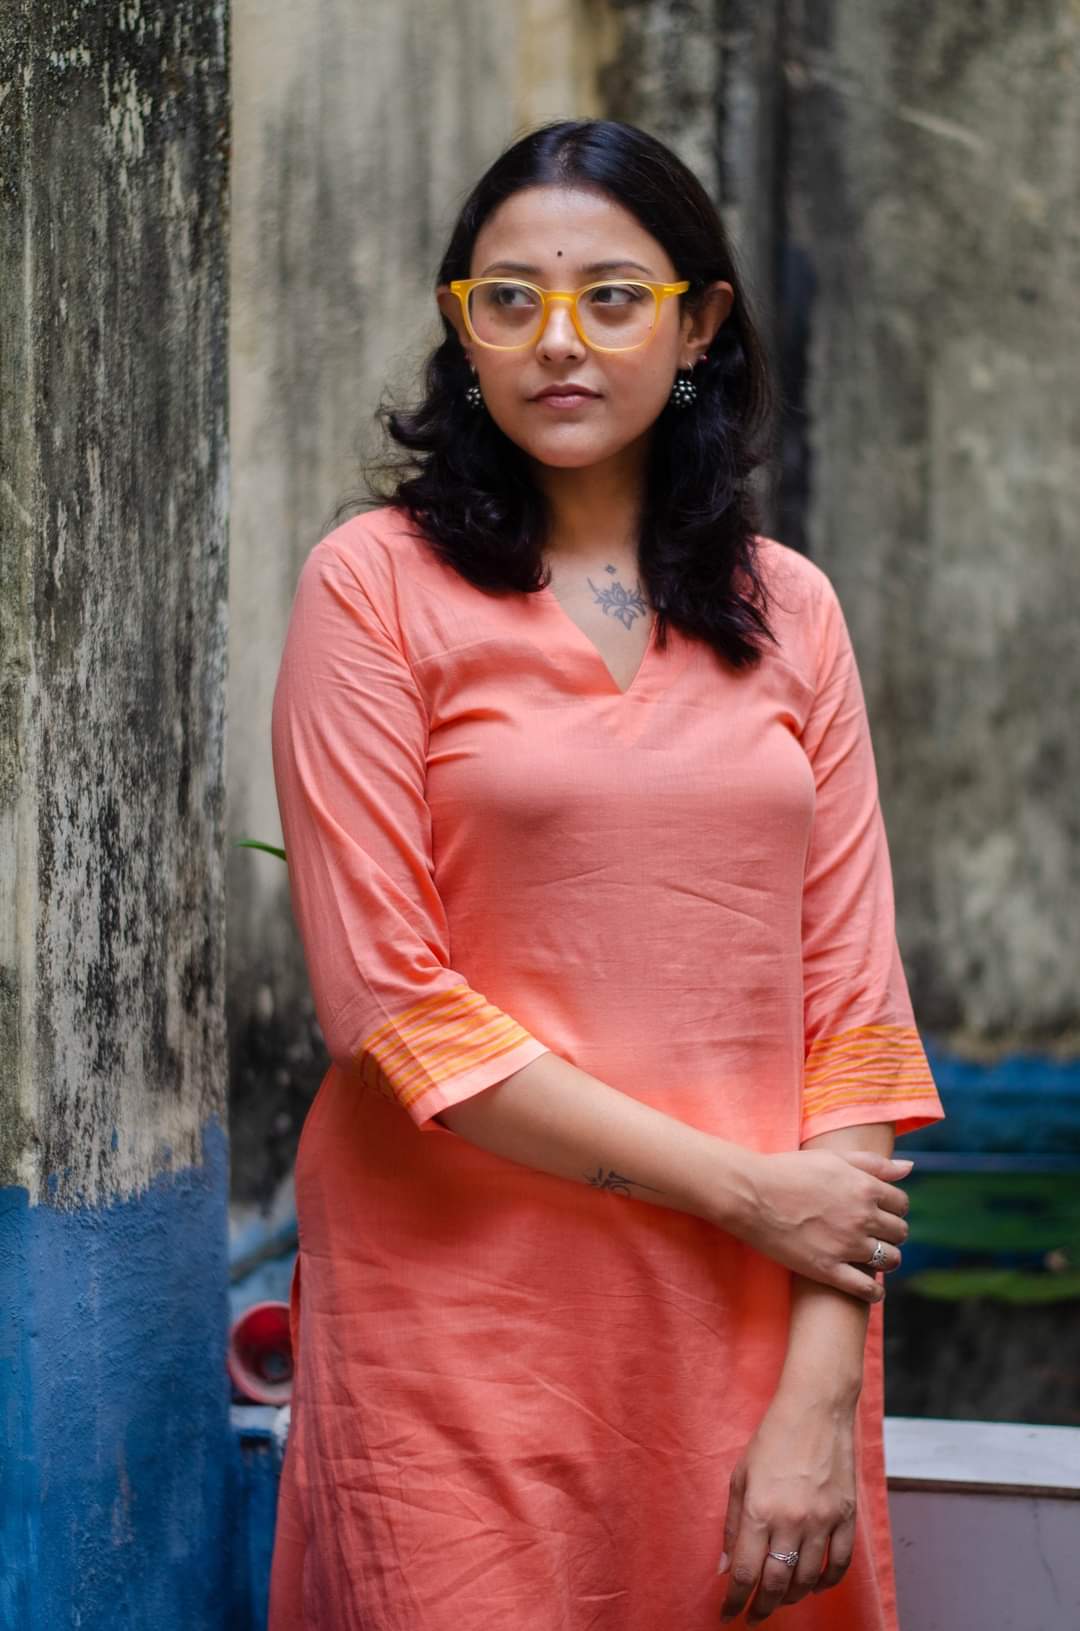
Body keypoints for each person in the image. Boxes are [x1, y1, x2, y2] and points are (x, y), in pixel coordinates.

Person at [267, 118, 945, 1630]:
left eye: (613, 297)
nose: (557, 340)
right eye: (509, 299)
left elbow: (855, 1017)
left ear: (699, 323)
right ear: (463, 330)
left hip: (749, 1318)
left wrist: (818, 1389)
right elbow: (392, 1008)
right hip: (463, 1316)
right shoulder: (373, 586)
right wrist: (753, 1194)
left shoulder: (792, 611)